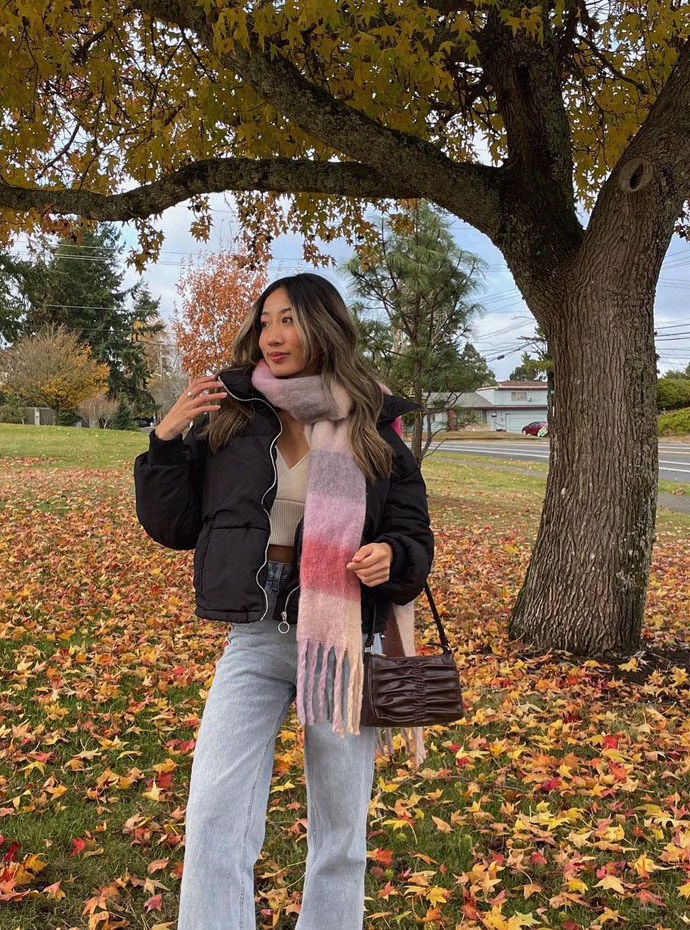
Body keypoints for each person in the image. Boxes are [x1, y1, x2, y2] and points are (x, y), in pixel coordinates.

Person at [133, 273, 434, 930]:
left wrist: (392, 557)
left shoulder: (376, 422)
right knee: (214, 811)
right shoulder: (231, 412)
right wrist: (165, 441)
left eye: (290, 320)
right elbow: (175, 527)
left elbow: (415, 535)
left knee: (341, 828)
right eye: (266, 319)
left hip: (345, 637)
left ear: (324, 326)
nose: (272, 334)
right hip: (256, 634)